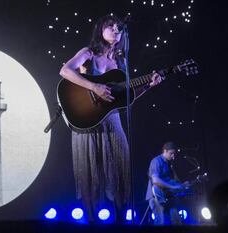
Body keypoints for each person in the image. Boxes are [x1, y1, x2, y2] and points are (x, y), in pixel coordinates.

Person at [59, 14, 162, 222]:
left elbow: (124, 98)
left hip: (112, 120)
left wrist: (148, 86)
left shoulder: (120, 61)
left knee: (119, 171)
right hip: (87, 120)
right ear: (101, 30)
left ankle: (120, 222)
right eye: (111, 27)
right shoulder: (87, 53)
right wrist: (94, 86)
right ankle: (91, 223)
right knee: (89, 175)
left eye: (119, 28)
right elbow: (65, 71)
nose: (116, 30)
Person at [145, 142, 189, 225]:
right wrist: (173, 187)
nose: (173, 156)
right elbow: (156, 180)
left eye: (174, 154)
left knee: (177, 220)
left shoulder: (169, 164)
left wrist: (182, 185)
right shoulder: (156, 161)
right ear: (164, 151)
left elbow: (173, 181)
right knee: (160, 222)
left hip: (168, 196)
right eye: (171, 153)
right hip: (156, 197)